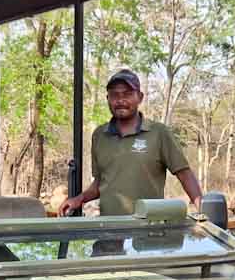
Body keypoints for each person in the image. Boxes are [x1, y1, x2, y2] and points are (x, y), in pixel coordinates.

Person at [58, 69, 202, 217]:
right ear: (108, 98)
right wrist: (79, 199)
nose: (120, 100)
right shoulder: (100, 135)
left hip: (148, 225)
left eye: (127, 94)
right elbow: (100, 183)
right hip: (109, 226)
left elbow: (185, 175)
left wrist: (203, 211)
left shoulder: (159, 133)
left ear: (140, 97)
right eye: (114, 95)